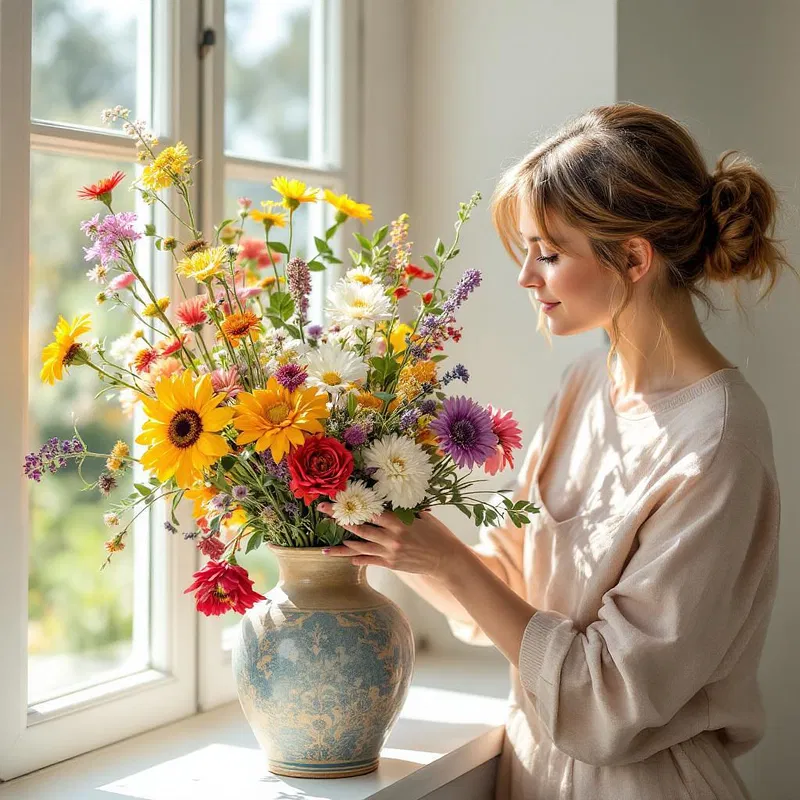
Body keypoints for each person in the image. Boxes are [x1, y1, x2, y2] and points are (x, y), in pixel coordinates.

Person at [318, 102, 794, 799]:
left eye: (548, 253)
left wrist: (446, 560)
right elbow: (511, 593)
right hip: (535, 771)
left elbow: (609, 702)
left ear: (633, 258)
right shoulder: (583, 388)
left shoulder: (718, 441)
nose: (525, 277)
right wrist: (375, 512)